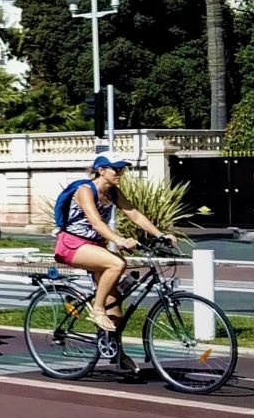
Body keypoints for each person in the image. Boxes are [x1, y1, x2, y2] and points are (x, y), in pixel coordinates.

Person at [53, 154, 175, 370]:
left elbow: (134, 214)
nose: (120, 173)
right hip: (71, 245)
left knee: (116, 306)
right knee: (117, 263)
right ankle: (96, 310)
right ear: (101, 170)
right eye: (116, 169)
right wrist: (119, 240)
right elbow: (97, 223)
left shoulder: (113, 192)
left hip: (94, 247)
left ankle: (116, 353)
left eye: (122, 170)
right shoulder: (85, 190)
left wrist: (159, 235)